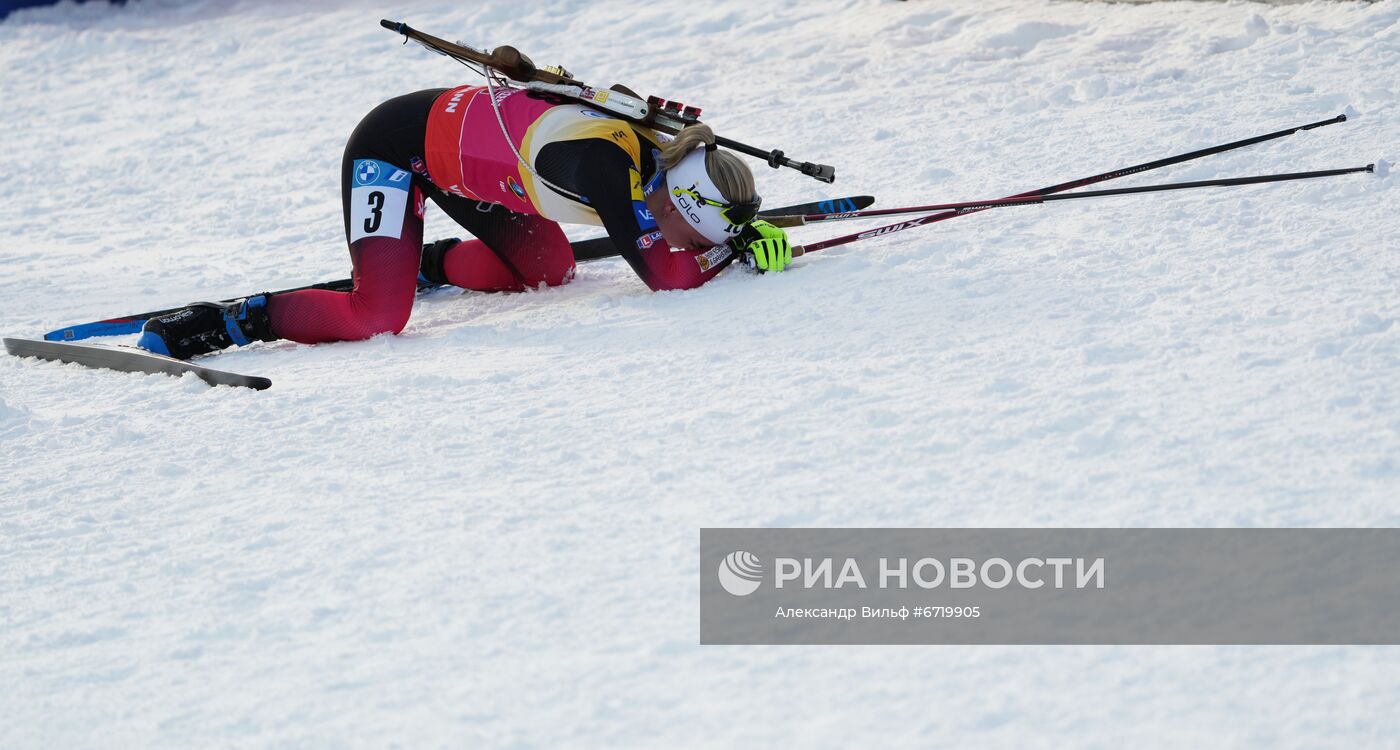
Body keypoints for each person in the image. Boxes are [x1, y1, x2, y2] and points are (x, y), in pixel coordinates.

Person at [137, 84, 794, 360]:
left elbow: (680, 248)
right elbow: (669, 278)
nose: (681, 243)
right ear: (676, 202)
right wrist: (732, 255)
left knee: (553, 268)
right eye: (692, 232)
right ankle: (236, 319)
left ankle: (427, 259)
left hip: (467, 170)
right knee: (378, 317)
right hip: (394, 150)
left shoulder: (665, 162)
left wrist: (736, 236)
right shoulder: (605, 166)